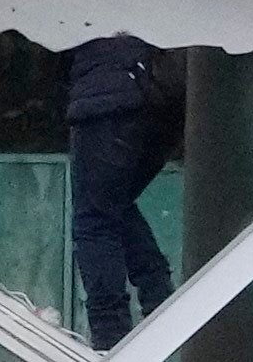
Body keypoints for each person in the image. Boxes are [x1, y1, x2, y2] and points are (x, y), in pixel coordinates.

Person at [59, 33, 182, 343]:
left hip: (109, 94)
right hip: (162, 96)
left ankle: (110, 336)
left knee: (95, 220)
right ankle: (158, 295)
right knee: (113, 204)